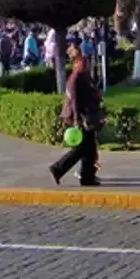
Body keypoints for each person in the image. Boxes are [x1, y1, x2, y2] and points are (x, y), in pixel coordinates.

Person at [48, 55, 101, 187]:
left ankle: (87, 177)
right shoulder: (75, 79)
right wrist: (77, 120)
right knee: (82, 148)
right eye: (82, 63)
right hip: (80, 117)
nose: (86, 66)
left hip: (85, 116)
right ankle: (58, 168)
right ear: (75, 64)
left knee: (89, 147)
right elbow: (74, 101)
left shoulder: (84, 77)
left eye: (86, 63)